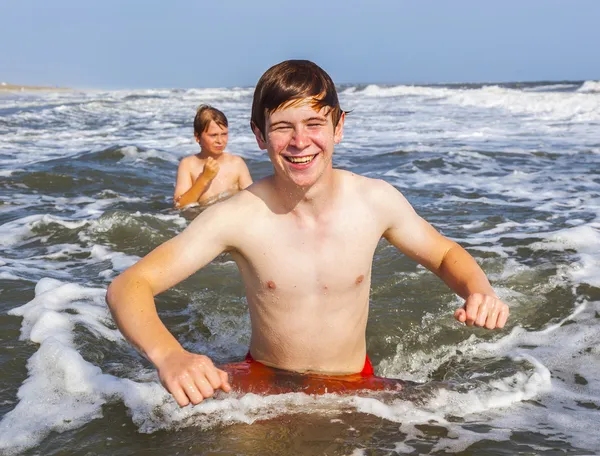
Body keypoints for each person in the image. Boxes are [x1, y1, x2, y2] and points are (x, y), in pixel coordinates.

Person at [106, 60, 509, 407]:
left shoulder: (375, 201)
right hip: (266, 383)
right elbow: (129, 285)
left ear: (338, 127)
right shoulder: (238, 217)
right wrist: (170, 356)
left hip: (354, 385)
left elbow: (442, 254)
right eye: (282, 127)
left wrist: (479, 290)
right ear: (260, 135)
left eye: (315, 123)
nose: (300, 142)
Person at [173, 105, 253, 208]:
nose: (220, 141)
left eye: (224, 134)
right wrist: (204, 178)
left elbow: (252, 199)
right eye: (213, 135)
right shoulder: (188, 165)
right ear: (197, 137)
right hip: (201, 219)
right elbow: (179, 205)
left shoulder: (236, 163)